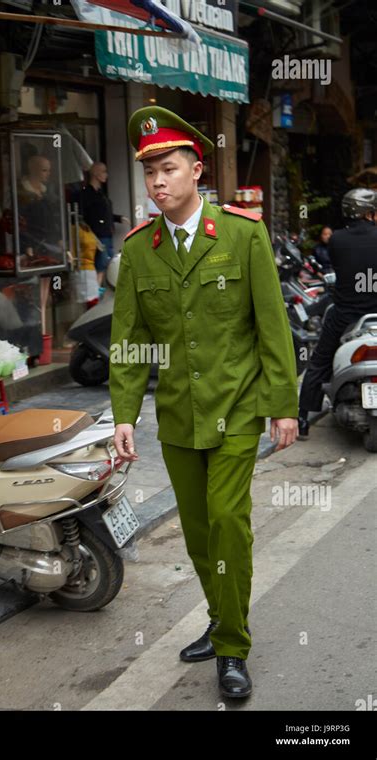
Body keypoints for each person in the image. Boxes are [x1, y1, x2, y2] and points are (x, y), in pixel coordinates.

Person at [109, 106, 298, 700]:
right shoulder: (140, 251)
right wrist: (122, 415)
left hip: (238, 409)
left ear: (196, 169)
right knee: (196, 535)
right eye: (150, 173)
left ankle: (232, 646)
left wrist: (283, 405)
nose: (158, 182)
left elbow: (273, 327)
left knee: (227, 522)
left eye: (168, 168)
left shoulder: (243, 235)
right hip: (177, 417)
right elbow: (129, 342)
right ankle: (220, 619)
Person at [298, 188, 377, 437]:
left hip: (344, 315)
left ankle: (302, 418)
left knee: (319, 363)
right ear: (368, 212)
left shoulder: (336, 239)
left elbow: (338, 266)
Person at [79, 162, 130, 287]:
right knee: (101, 265)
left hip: (106, 234)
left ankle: (97, 293)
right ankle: (95, 296)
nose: (106, 175)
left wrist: (118, 218)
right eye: (103, 171)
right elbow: (85, 216)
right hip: (97, 235)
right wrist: (90, 233)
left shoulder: (101, 193)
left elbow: (105, 214)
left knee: (105, 263)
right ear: (96, 174)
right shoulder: (87, 194)